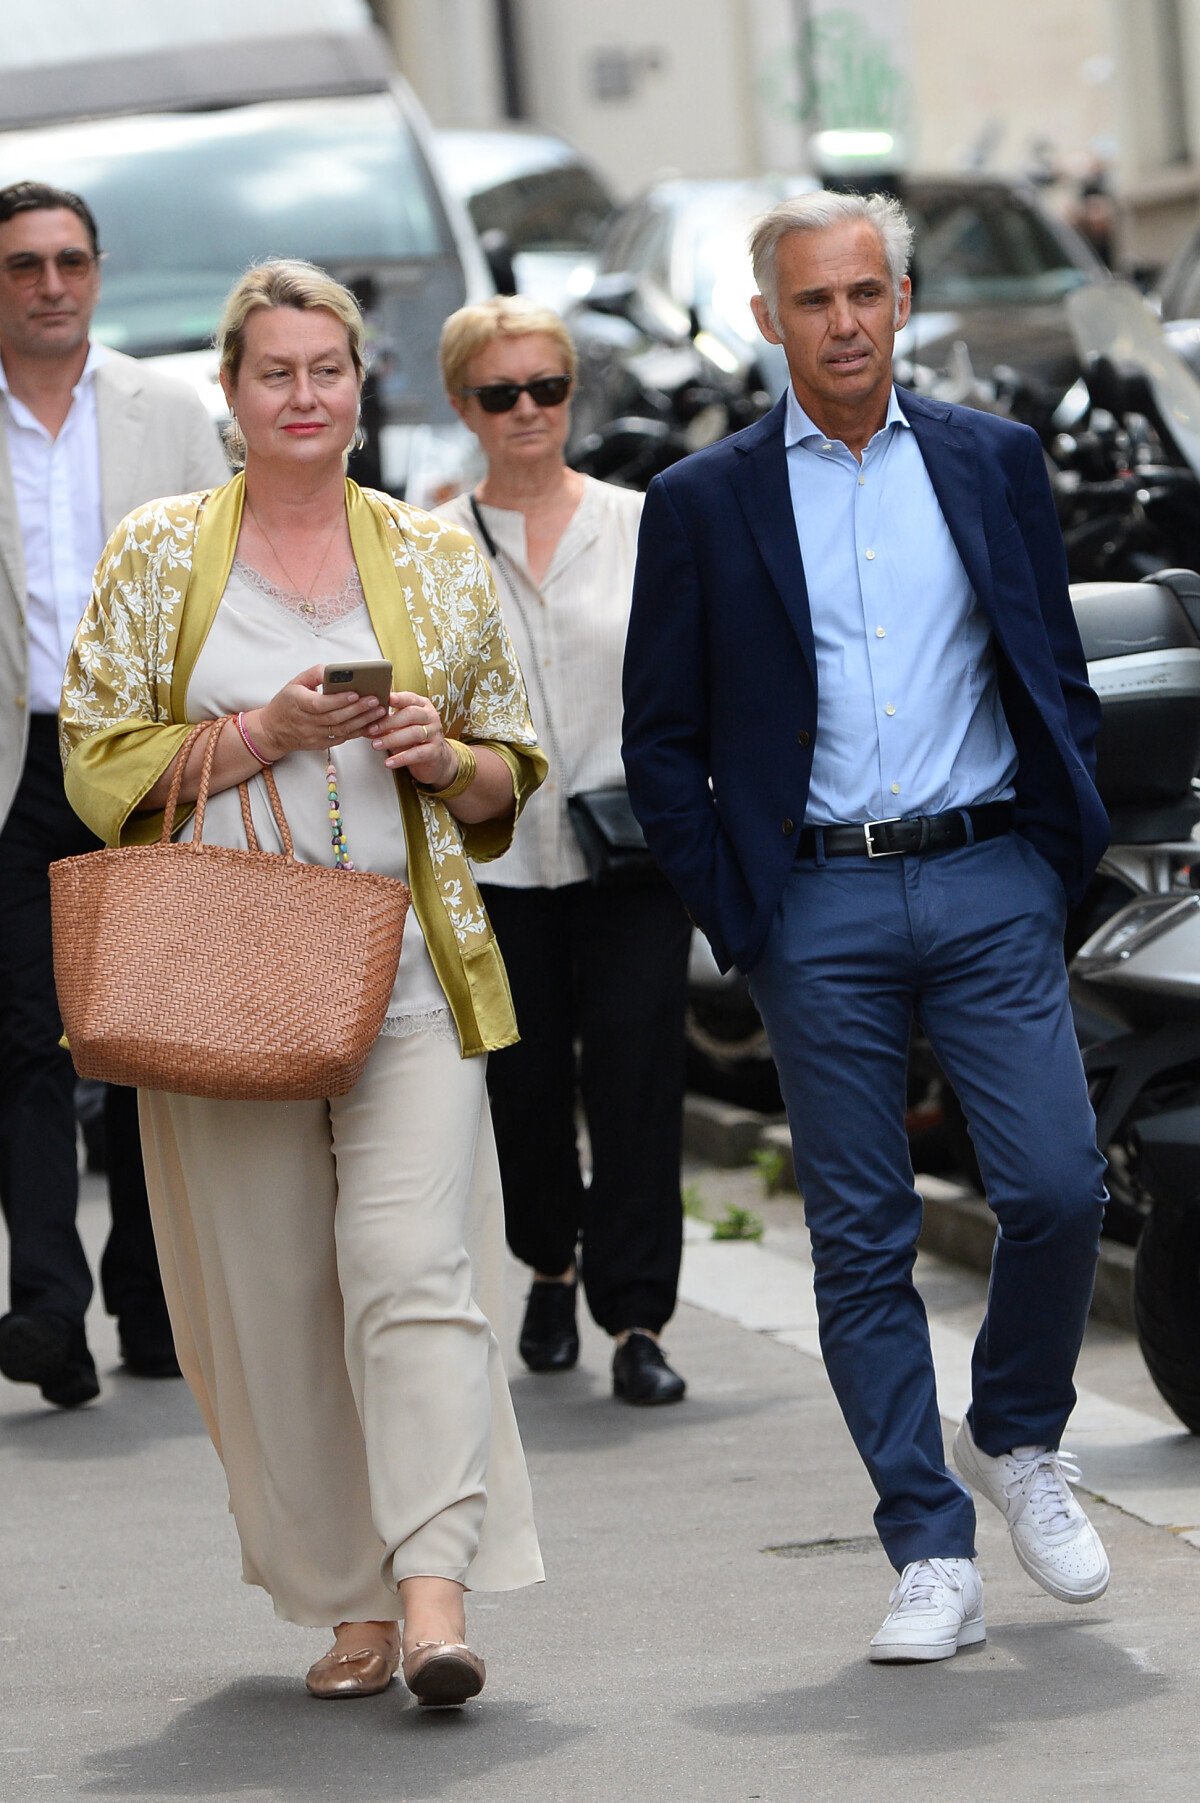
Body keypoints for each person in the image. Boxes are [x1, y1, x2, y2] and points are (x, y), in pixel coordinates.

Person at [622, 190, 1111, 1661]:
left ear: (902, 303)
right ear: (769, 317)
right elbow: (662, 736)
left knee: (1058, 1184)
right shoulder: (703, 500)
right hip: (813, 899)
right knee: (860, 1237)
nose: (841, 322)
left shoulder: (993, 460)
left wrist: (1050, 851)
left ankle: (1019, 1433)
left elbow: (1054, 663)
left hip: (984, 875)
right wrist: (741, 910)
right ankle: (928, 1545)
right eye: (811, 300)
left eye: (864, 294)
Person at [59, 259, 545, 1706]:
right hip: (226, 979)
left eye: (327, 369)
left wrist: (441, 758)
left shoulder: (435, 553)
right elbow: (93, 762)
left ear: (360, 385)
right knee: (273, 1299)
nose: (305, 395)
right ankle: (346, 1598)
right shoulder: (158, 550)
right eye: (275, 371)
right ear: (232, 391)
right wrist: (259, 730)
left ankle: (434, 1586)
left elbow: (510, 762)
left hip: (402, 966)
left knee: (414, 1270)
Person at [437, 295, 690, 1407]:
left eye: (547, 387)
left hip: (632, 857)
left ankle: (637, 1319)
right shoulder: (427, 540)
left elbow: (694, 678)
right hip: (492, 864)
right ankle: (549, 1262)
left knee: (638, 1077)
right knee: (524, 1090)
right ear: (465, 406)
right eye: (502, 393)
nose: (528, 410)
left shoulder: (642, 523)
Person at [0, 180, 228, 1409]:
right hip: (12, 768)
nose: (49, 284)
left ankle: (150, 1304)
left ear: (97, 273)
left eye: (68, 262)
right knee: (28, 1038)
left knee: (144, 1037)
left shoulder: (165, 408)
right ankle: (47, 1308)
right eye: (24, 264)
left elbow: (220, 571)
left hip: (146, 758)